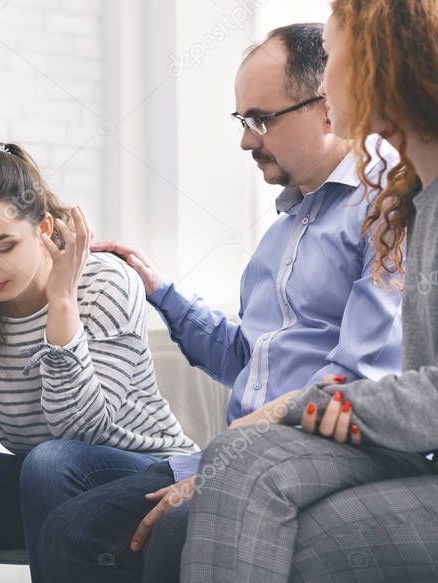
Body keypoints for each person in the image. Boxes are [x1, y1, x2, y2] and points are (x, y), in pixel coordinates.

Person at [38, 23, 404, 583]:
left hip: (318, 449)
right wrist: (161, 291)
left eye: (261, 119)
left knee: (172, 533)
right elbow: (245, 359)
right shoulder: (279, 236)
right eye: (242, 120)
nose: (246, 140)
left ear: (327, 106)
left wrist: (223, 469)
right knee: (67, 513)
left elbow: (353, 383)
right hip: (241, 449)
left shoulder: (382, 214)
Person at [182, 2, 438, 580]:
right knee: (246, 472)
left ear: (381, 60)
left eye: (335, 53)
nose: (325, 79)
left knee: (252, 478)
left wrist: (294, 406)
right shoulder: (415, 198)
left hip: (408, 455)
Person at [0, 142, 197, 583]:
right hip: (45, 485)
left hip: (145, 479)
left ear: (44, 227)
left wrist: (61, 301)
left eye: (2, 245)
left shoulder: (105, 281)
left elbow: (80, 430)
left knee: (50, 462)